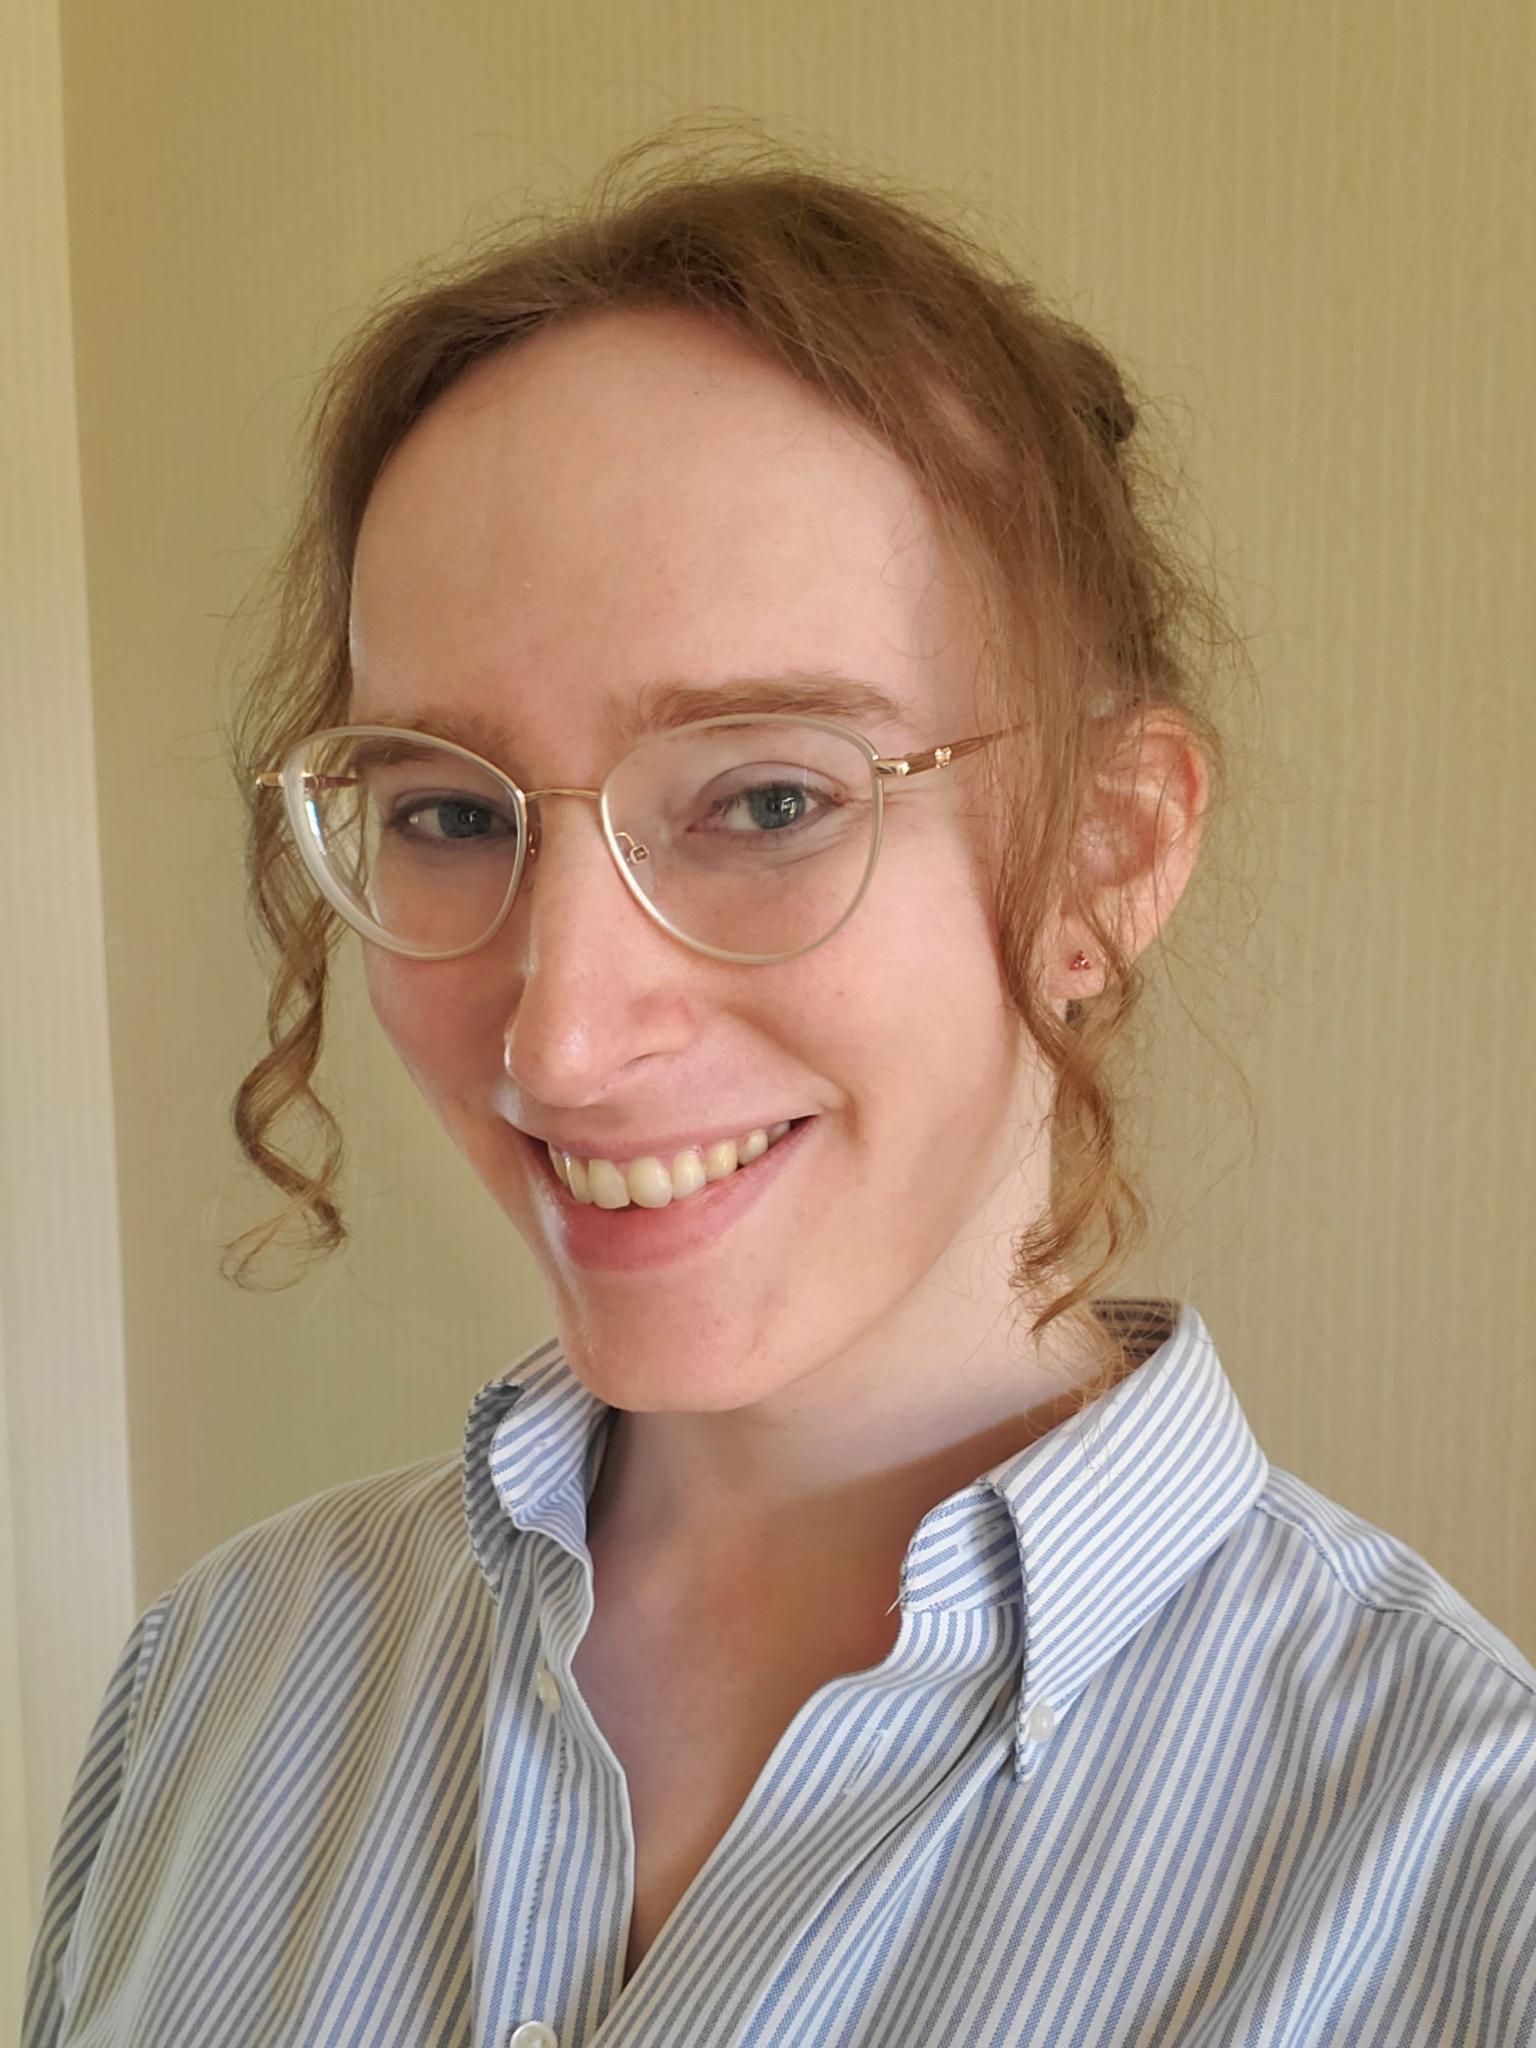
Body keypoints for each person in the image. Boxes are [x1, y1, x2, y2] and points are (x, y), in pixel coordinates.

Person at [24, 146, 1536, 2048]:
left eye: (765, 800)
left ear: (1105, 855)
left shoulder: (1464, 1875)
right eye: (447, 814)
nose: (559, 1037)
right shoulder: (218, 1681)